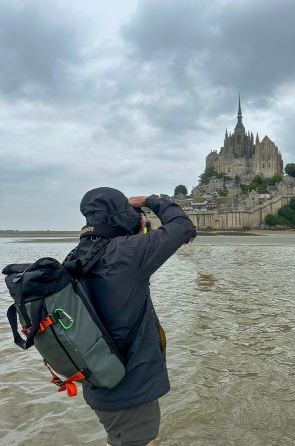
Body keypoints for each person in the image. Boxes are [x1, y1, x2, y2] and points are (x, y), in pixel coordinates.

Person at [70, 187, 196, 446]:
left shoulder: (75, 257)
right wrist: (151, 201)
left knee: (118, 439)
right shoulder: (127, 252)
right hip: (130, 386)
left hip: (97, 381)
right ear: (122, 216)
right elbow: (182, 227)